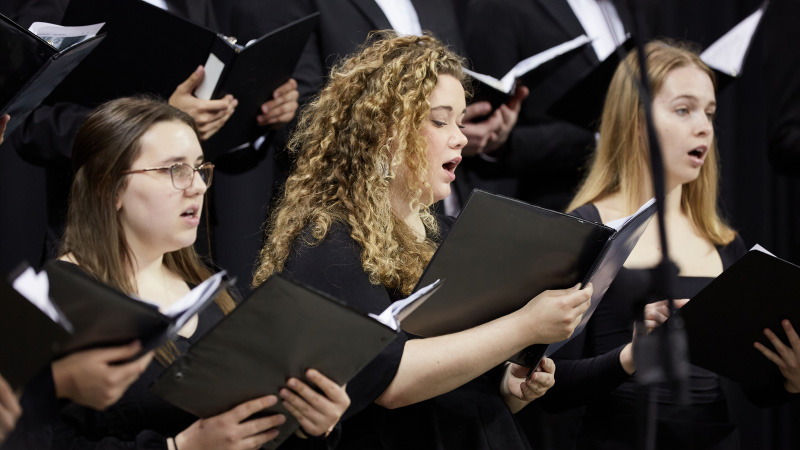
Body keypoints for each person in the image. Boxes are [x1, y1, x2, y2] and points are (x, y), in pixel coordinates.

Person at [253, 32, 593, 450]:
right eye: (439, 120)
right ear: (382, 131)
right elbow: (389, 381)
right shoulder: (330, 240)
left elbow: (458, 387)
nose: (460, 137)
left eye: (461, 121)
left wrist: (509, 388)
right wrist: (524, 327)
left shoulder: (448, 236)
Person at [539, 40, 800, 450]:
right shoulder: (585, 231)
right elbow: (548, 386)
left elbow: (758, 390)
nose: (704, 127)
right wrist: (630, 357)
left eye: (709, 113)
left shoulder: (725, 242)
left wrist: (790, 378)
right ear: (635, 120)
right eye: (684, 109)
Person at [52, 97, 349, 450]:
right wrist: (181, 447)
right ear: (109, 186)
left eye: (198, 168)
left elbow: (261, 427)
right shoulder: (53, 302)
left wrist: (312, 426)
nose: (198, 186)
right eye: (173, 169)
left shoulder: (213, 291)